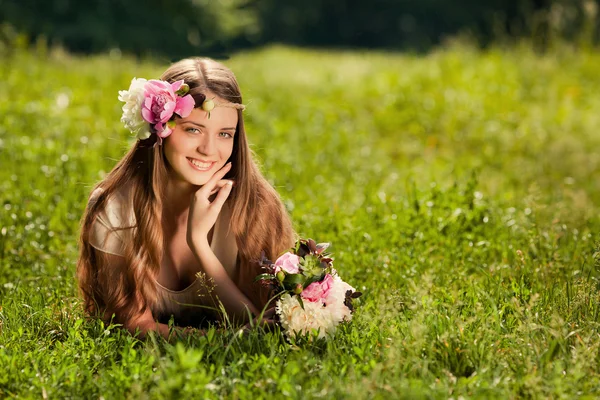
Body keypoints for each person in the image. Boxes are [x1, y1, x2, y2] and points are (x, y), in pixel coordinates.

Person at [76, 57, 296, 339]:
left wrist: (200, 244)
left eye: (224, 134)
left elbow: (261, 321)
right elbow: (132, 324)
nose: (209, 149)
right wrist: (226, 339)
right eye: (193, 129)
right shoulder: (116, 209)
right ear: (161, 129)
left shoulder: (252, 207)